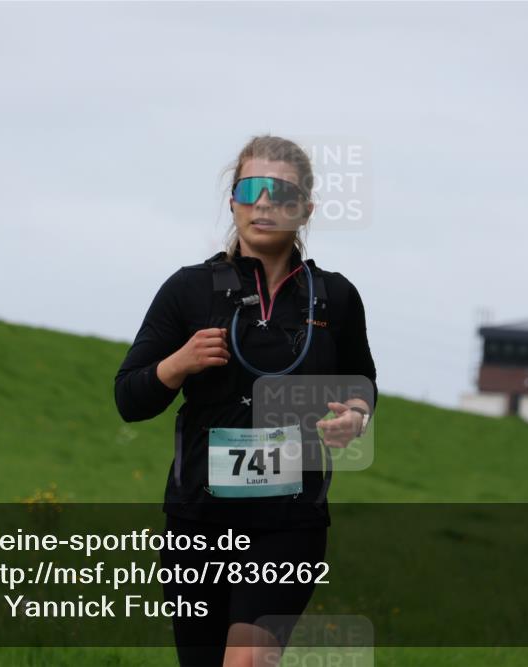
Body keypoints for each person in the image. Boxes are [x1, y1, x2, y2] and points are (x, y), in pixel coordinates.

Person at [114, 135, 377, 667]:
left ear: (305, 209)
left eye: (281, 192)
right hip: (198, 520)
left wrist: (356, 416)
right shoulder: (188, 291)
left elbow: (362, 385)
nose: (264, 203)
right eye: (251, 189)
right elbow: (129, 398)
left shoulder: (336, 297)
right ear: (232, 201)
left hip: (289, 521)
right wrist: (178, 363)